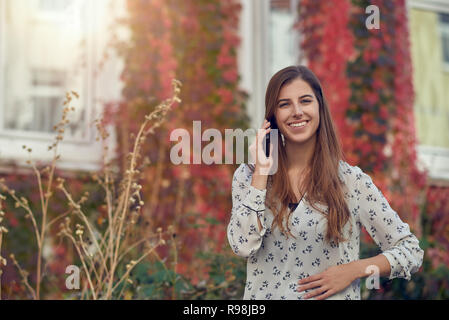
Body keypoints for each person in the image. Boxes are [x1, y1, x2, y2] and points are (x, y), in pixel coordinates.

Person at [227, 65, 424, 300]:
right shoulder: (248, 177)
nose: (297, 111)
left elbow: (410, 251)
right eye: (284, 104)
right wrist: (261, 173)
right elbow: (242, 245)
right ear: (272, 116)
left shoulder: (352, 182)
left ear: (320, 107)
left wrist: (353, 270)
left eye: (305, 101)